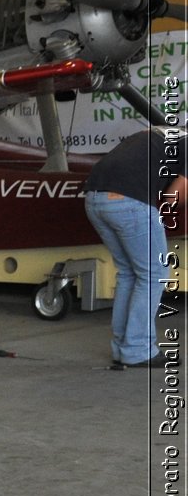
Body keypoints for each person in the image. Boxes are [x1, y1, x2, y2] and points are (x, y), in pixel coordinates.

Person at [83, 126, 187, 368]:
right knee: (154, 274)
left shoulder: (163, 133)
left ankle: (123, 347)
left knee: (130, 273)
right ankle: (138, 350)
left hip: (94, 198)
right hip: (129, 201)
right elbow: (174, 197)